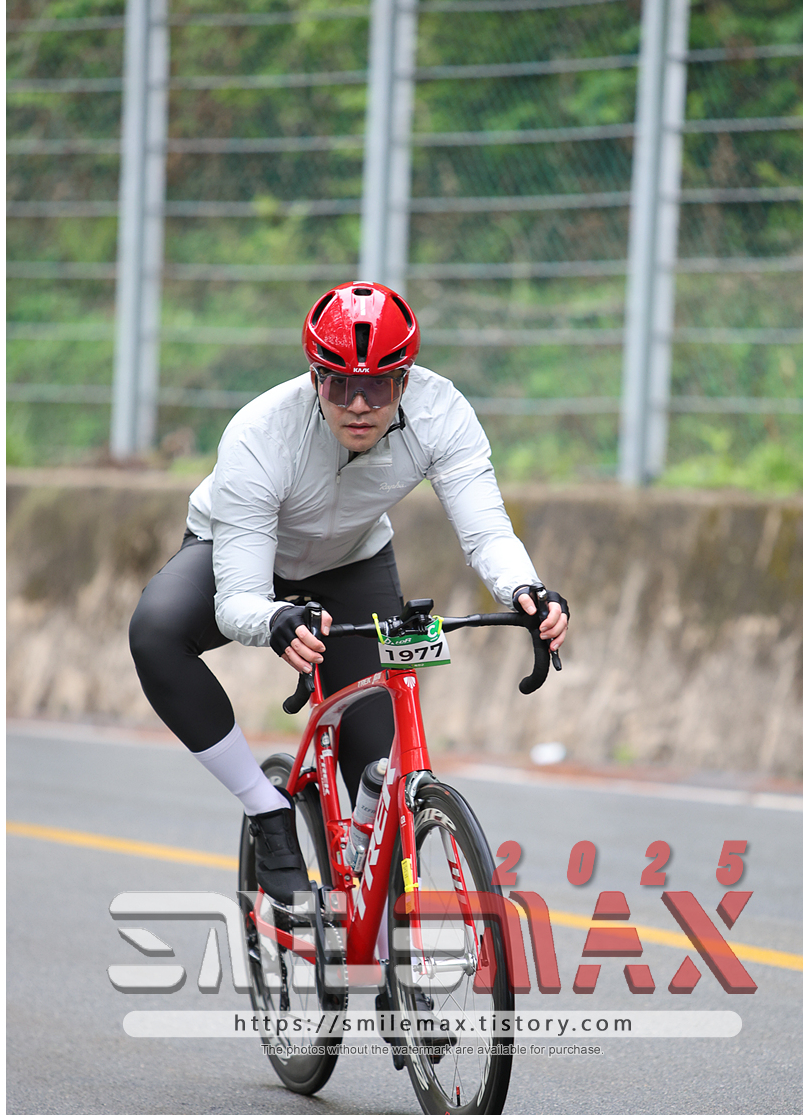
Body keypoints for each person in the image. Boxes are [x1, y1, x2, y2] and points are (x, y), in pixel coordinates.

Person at [128, 281, 568, 910]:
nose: (359, 406)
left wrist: (526, 589)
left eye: (379, 388)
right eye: (339, 387)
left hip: (351, 563)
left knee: (376, 780)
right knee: (156, 632)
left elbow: (487, 532)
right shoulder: (259, 433)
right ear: (315, 379)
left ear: (405, 382)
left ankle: (376, 928)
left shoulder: (442, 413)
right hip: (242, 557)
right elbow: (238, 599)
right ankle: (267, 811)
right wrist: (275, 620)